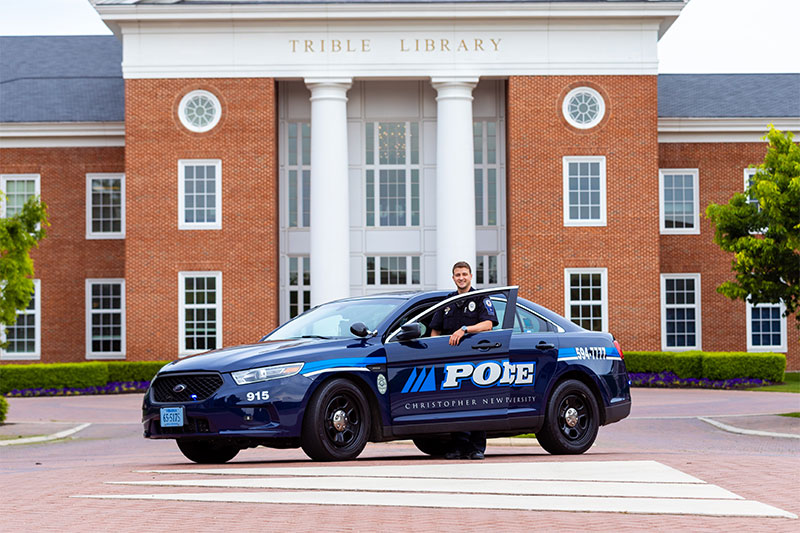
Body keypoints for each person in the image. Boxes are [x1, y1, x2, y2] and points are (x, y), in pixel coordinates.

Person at [429, 260, 498, 460]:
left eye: (464, 274)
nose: (461, 278)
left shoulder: (480, 298)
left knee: (477, 402)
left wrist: (466, 329)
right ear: (453, 278)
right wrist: (434, 349)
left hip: (476, 359)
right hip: (451, 360)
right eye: (457, 275)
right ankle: (458, 447)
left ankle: (476, 448)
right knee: (455, 403)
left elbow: (488, 324)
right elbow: (436, 329)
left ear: (470, 276)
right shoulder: (447, 303)